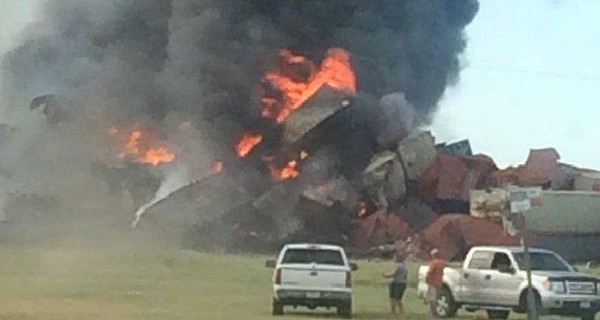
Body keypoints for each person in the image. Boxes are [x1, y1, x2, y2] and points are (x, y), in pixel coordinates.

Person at [383, 252, 408, 317]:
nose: (393, 258)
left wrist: (385, 275)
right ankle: (395, 311)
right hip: (400, 283)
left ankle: (398, 311)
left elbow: (393, 273)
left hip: (397, 283)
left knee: (395, 298)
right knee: (394, 298)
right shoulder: (405, 265)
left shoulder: (398, 266)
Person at [425, 248, 446, 319]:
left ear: (433, 255)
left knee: (432, 299)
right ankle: (436, 312)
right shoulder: (442, 262)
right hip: (439, 282)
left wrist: (427, 278)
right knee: (437, 297)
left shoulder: (433, 262)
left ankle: (433, 313)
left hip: (432, 282)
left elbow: (430, 271)